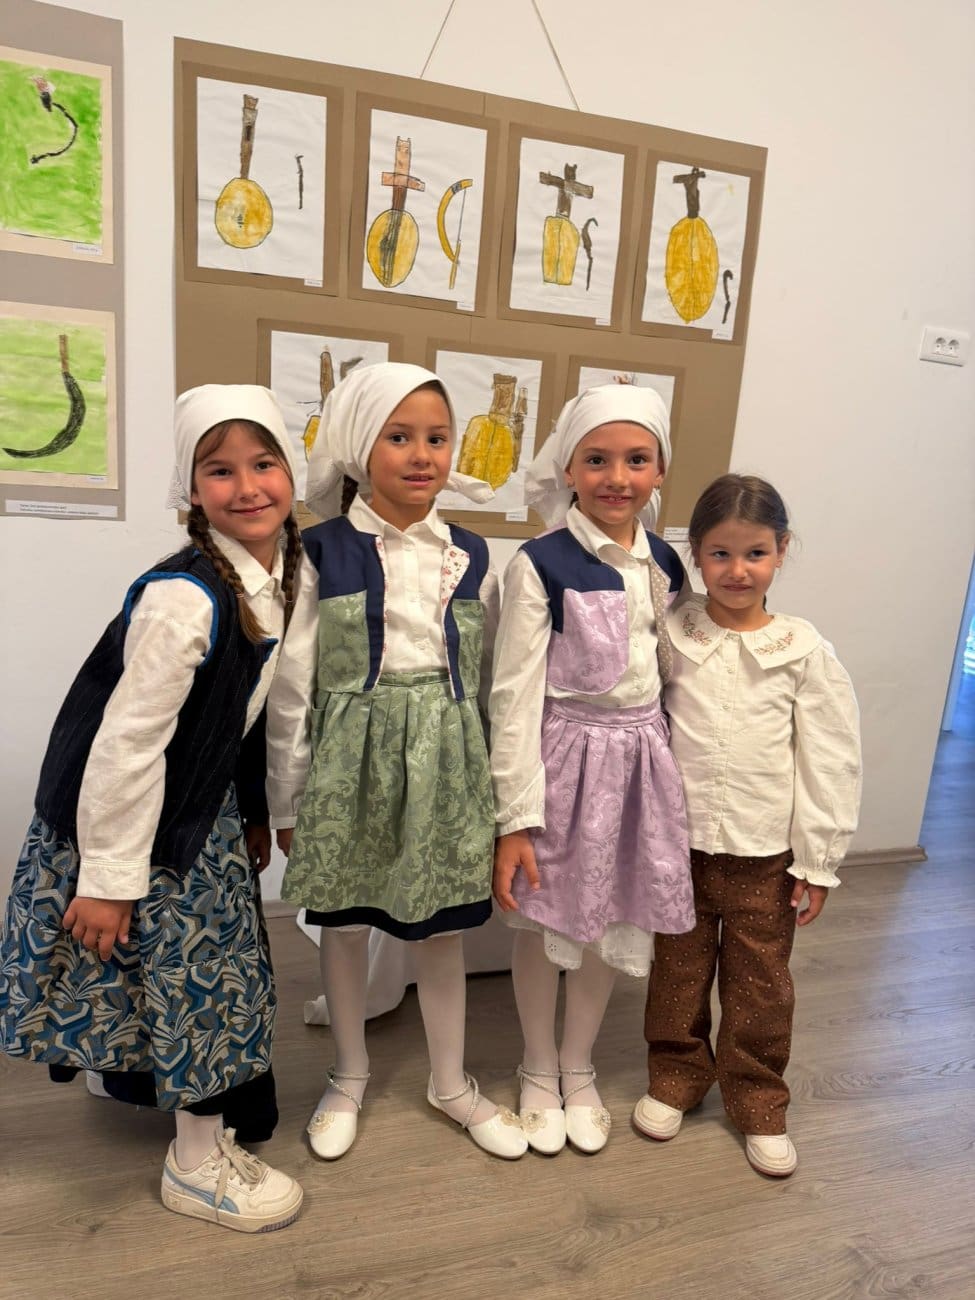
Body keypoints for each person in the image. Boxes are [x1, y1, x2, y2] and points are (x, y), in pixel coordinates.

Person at [0, 385, 310, 1233]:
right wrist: (107, 880)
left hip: (196, 813)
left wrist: (258, 808)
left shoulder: (281, 575)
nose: (247, 486)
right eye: (220, 470)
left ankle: (156, 1100)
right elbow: (127, 747)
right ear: (192, 489)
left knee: (178, 974)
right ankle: (196, 1164)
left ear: (291, 472)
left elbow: (252, 714)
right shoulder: (186, 598)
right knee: (201, 985)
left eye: (263, 463)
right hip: (139, 823)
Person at [268, 362, 528, 1161]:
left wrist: (500, 796)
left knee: (441, 933)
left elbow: (490, 679)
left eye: (437, 438)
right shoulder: (319, 551)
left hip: (447, 762)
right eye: (400, 437)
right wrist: (288, 798)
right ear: (358, 444)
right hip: (350, 762)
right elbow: (293, 685)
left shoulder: (473, 554)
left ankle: (449, 1081)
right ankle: (348, 1076)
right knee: (344, 925)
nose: (422, 455)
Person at [633, 473, 861, 1177]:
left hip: (765, 856)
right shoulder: (673, 634)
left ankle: (758, 1099)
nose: (738, 570)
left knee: (760, 983)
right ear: (696, 555)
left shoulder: (802, 649)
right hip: (680, 847)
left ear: (781, 551)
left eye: (755, 553)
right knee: (677, 972)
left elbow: (829, 758)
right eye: (721, 554)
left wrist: (818, 860)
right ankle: (676, 1074)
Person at [489, 384, 696, 1155]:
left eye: (636, 460)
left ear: (659, 469)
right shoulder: (539, 563)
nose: (617, 477)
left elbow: (677, 671)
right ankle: (535, 1064)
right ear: (569, 469)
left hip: (638, 764)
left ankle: (577, 1064)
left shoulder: (664, 561)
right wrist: (515, 816)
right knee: (544, 920)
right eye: (597, 460)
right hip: (562, 764)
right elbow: (513, 696)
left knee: (612, 918)